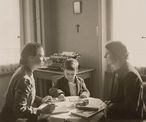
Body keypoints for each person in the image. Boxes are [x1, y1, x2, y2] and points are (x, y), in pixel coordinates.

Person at [0, 43, 55, 122]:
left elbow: (27, 94)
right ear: (31, 58)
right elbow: (19, 110)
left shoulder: (25, 70)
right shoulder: (24, 79)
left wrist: (41, 100)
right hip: (13, 119)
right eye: (41, 56)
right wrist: (40, 110)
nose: (44, 59)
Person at [104, 41, 144, 120]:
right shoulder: (117, 69)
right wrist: (108, 103)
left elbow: (131, 107)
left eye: (107, 53)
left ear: (116, 55)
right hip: (118, 114)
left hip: (129, 118)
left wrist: (110, 106)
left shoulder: (130, 75)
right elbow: (116, 97)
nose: (105, 56)